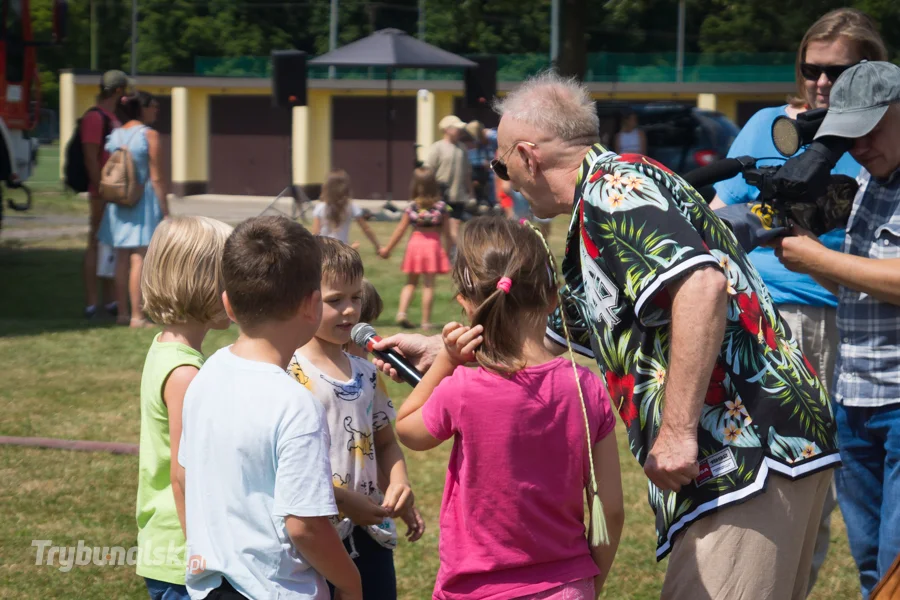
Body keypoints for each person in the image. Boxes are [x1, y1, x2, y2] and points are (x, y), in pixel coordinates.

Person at [374, 72, 839, 600]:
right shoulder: (597, 217)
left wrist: (677, 430)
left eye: (502, 166)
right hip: (768, 447)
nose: (505, 181)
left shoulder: (612, 193)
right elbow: (542, 334)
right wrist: (440, 352)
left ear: (528, 156)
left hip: (749, 451)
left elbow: (701, 286)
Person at [709, 9, 887, 591]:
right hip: (775, 318)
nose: (822, 83)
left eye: (839, 72)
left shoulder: (872, 152)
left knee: (821, 491)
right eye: (812, 69)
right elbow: (725, 212)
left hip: (849, 326)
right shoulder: (771, 124)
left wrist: (812, 254)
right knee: (774, 476)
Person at [394, 217, 624, 600]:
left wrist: (446, 361)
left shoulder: (461, 389)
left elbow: (407, 429)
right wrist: (587, 585)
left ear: (466, 304)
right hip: (567, 586)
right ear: (553, 296)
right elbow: (611, 511)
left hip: (475, 589)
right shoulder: (587, 388)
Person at [177, 216, 361, 600]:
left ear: (228, 303)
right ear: (312, 305)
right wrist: (350, 582)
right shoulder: (296, 405)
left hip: (211, 589)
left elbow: (184, 475)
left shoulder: (206, 373)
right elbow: (304, 526)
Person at [771, 60, 900, 599]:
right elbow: (860, 285)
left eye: (872, 127)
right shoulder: (869, 181)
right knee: (872, 566)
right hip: (854, 397)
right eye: (849, 132)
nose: (860, 143)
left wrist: (817, 260)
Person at [287, 237, 421, 600]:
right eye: (335, 301)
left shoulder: (366, 372)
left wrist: (399, 483)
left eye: (355, 298)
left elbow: (385, 441)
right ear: (302, 300)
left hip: (372, 530)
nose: (349, 311)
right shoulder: (288, 371)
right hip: (315, 536)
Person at [135, 216, 233, 600]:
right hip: (183, 556)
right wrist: (202, 554)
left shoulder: (165, 347)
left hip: (166, 544)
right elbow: (184, 473)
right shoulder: (185, 372)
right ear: (203, 285)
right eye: (230, 280)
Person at [98, 91, 168, 328]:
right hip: (142, 200)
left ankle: (123, 314)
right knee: (139, 258)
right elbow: (156, 178)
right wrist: (165, 210)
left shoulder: (115, 134)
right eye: (153, 107)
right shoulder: (149, 135)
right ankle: (138, 317)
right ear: (142, 109)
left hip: (118, 201)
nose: (156, 111)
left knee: (121, 258)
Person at [379, 167, 452, 331]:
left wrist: (387, 249)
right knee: (428, 285)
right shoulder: (442, 207)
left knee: (410, 282)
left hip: (415, 245)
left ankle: (401, 313)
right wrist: (448, 253)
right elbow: (448, 234)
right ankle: (426, 322)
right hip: (433, 245)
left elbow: (400, 230)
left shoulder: (412, 207)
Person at [81, 70, 127, 320]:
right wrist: (101, 189)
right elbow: (91, 156)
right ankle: (91, 302)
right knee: (95, 243)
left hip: (114, 193)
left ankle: (110, 300)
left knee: (111, 245)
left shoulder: (111, 117)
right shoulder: (95, 117)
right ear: (118, 91)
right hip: (101, 193)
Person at [425, 115, 473, 254]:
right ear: (447, 129)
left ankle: (450, 257)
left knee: (455, 226)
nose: (460, 131)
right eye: (456, 128)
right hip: (440, 195)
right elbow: (429, 171)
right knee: (439, 227)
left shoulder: (462, 148)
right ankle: (439, 255)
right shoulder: (437, 148)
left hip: (458, 195)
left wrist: (471, 193)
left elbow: (467, 173)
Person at [311, 169, 382, 252]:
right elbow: (366, 229)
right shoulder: (351, 207)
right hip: (343, 252)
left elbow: (315, 234)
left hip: (324, 252)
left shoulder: (320, 208)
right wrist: (378, 246)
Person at [465, 120, 497, 212]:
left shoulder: (493, 137)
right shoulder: (478, 142)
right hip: (488, 171)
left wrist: (492, 162)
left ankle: (494, 203)